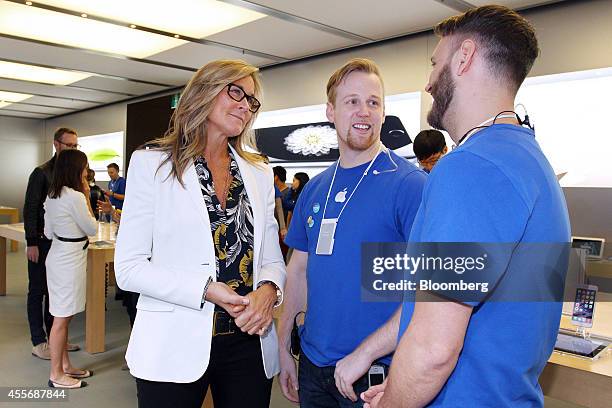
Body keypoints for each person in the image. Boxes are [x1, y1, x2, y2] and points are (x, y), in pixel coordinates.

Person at [362, 5, 570, 408]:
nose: (427, 83)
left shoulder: (472, 167)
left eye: (434, 64)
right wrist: (401, 385)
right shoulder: (527, 160)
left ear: (464, 57)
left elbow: (435, 348)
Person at [114, 59, 286, 408]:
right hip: (171, 343)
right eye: (235, 91)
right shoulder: (153, 165)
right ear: (204, 92)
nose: (245, 105)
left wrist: (269, 289)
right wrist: (204, 289)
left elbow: (271, 258)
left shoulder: (259, 173)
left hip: (248, 341)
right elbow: (129, 268)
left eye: (251, 100)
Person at [278, 58, 426, 407]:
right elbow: (298, 271)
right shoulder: (315, 189)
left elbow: (429, 291)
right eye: (352, 101)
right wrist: (283, 347)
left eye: (373, 102)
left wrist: (366, 354)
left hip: (375, 373)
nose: (364, 112)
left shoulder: (410, 185)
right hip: (313, 367)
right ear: (330, 111)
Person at [23, 127, 81, 360]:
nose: (73, 150)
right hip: (41, 240)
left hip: (61, 244)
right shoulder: (41, 173)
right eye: (69, 146)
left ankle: (56, 338)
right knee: (37, 290)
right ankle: (38, 341)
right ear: (56, 144)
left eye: (76, 146)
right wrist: (31, 242)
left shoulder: (71, 175)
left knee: (55, 293)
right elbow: (31, 208)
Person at [44, 149, 97, 388]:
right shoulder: (75, 197)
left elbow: (47, 232)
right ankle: (56, 375)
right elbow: (92, 228)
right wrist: (86, 196)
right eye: (84, 167)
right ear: (76, 170)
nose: (86, 172)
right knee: (62, 319)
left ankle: (65, 366)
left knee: (62, 314)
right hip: (69, 259)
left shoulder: (52, 195)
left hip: (57, 255)